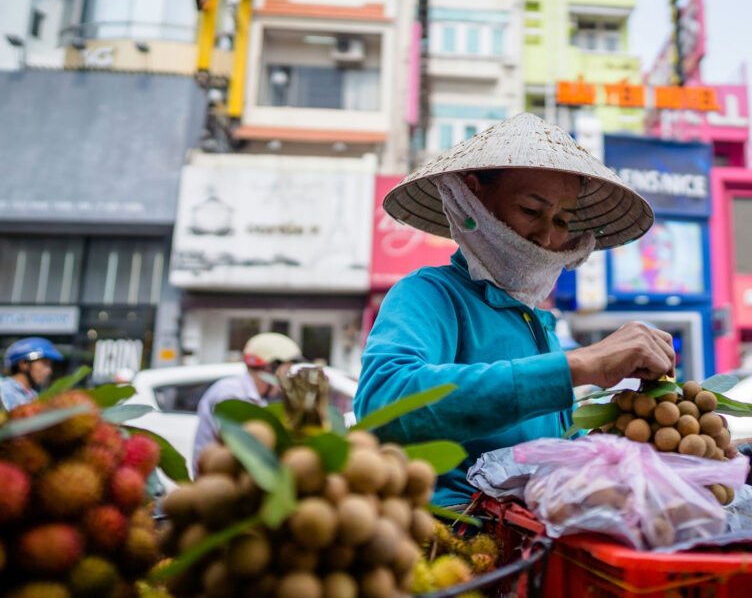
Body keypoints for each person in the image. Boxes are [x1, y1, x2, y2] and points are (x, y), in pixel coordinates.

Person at [355, 113, 678, 506]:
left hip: (534, 542)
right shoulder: (428, 294)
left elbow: (547, 452)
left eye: (561, 220)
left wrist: (627, 435)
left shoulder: (539, 326)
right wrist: (581, 364)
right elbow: (384, 406)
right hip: (452, 537)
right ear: (473, 195)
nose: (545, 236)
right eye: (530, 210)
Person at [192, 332, 302, 473]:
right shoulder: (229, 392)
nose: (287, 379)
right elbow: (238, 445)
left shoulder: (257, 400)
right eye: (286, 371)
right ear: (270, 367)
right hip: (215, 480)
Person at [1, 337, 64, 411]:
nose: (49, 371)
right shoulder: (3, 390)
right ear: (24, 364)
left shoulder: (34, 395)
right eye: (45, 364)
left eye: (50, 365)